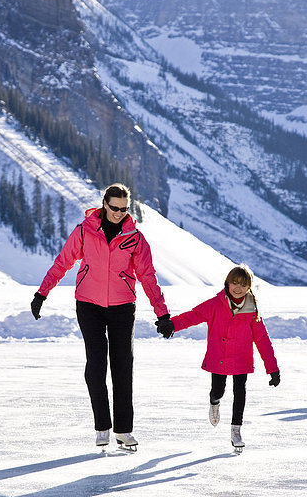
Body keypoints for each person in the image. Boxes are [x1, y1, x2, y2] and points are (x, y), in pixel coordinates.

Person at [31, 183, 170, 450]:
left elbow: (148, 277)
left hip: (122, 306)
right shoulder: (85, 231)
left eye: (123, 209)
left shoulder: (135, 238)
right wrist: (42, 293)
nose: (118, 213)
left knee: (122, 366)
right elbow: (63, 261)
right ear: (104, 204)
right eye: (114, 207)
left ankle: (124, 430)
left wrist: (162, 313)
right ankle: (102, 427)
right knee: (96, 365)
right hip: (89, 305)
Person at [156, 264, 280, 451]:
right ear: (227, 283)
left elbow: (262, 339)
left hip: (241, 358)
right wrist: (172, 325)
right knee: (218, 391)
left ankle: (236, 430)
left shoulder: (252, 310)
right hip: (219, 356)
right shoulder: (215, 304)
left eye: (243, 285)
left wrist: (273, 369)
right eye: (234, 283)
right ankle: (214, 402)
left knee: (240, 392)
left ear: (249, 287)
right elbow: (194, 315)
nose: (238, 288)